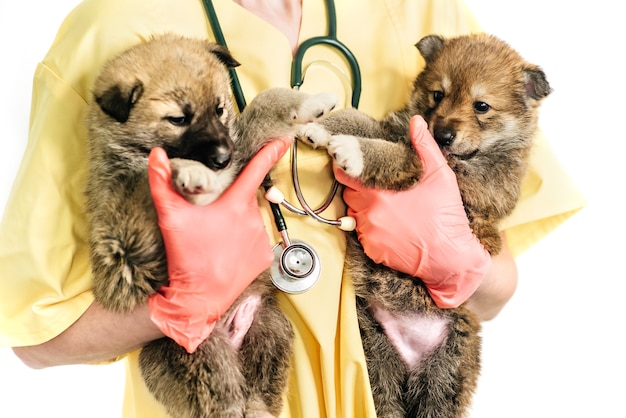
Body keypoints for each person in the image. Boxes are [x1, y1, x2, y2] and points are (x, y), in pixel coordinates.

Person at [0, 0, 585, 417]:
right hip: (219, 393)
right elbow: (36, 334)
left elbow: (497, 291)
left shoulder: (423, 13)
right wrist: (181, 304)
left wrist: (456, 259)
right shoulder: (116, 27)